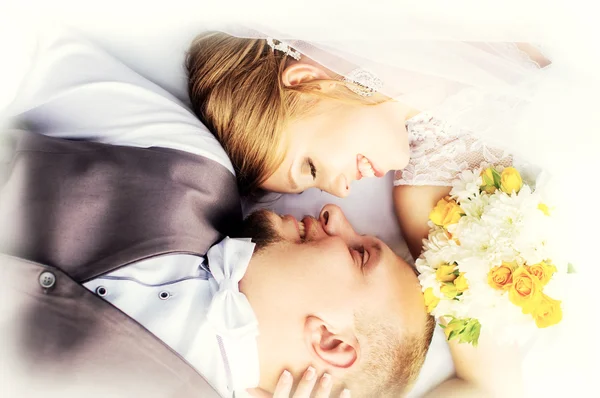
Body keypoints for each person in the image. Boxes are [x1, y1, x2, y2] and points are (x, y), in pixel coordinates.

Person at [0, 23, 434, 398]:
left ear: (330, 341)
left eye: (360, 255)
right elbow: (26, 51)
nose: (334, 213)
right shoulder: (187, 166)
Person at [186, 32, 538, 397]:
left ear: (305, 81)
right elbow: (490, 385)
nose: (340, 197)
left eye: (310, 168)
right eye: (361, 253)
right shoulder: (434, 189)